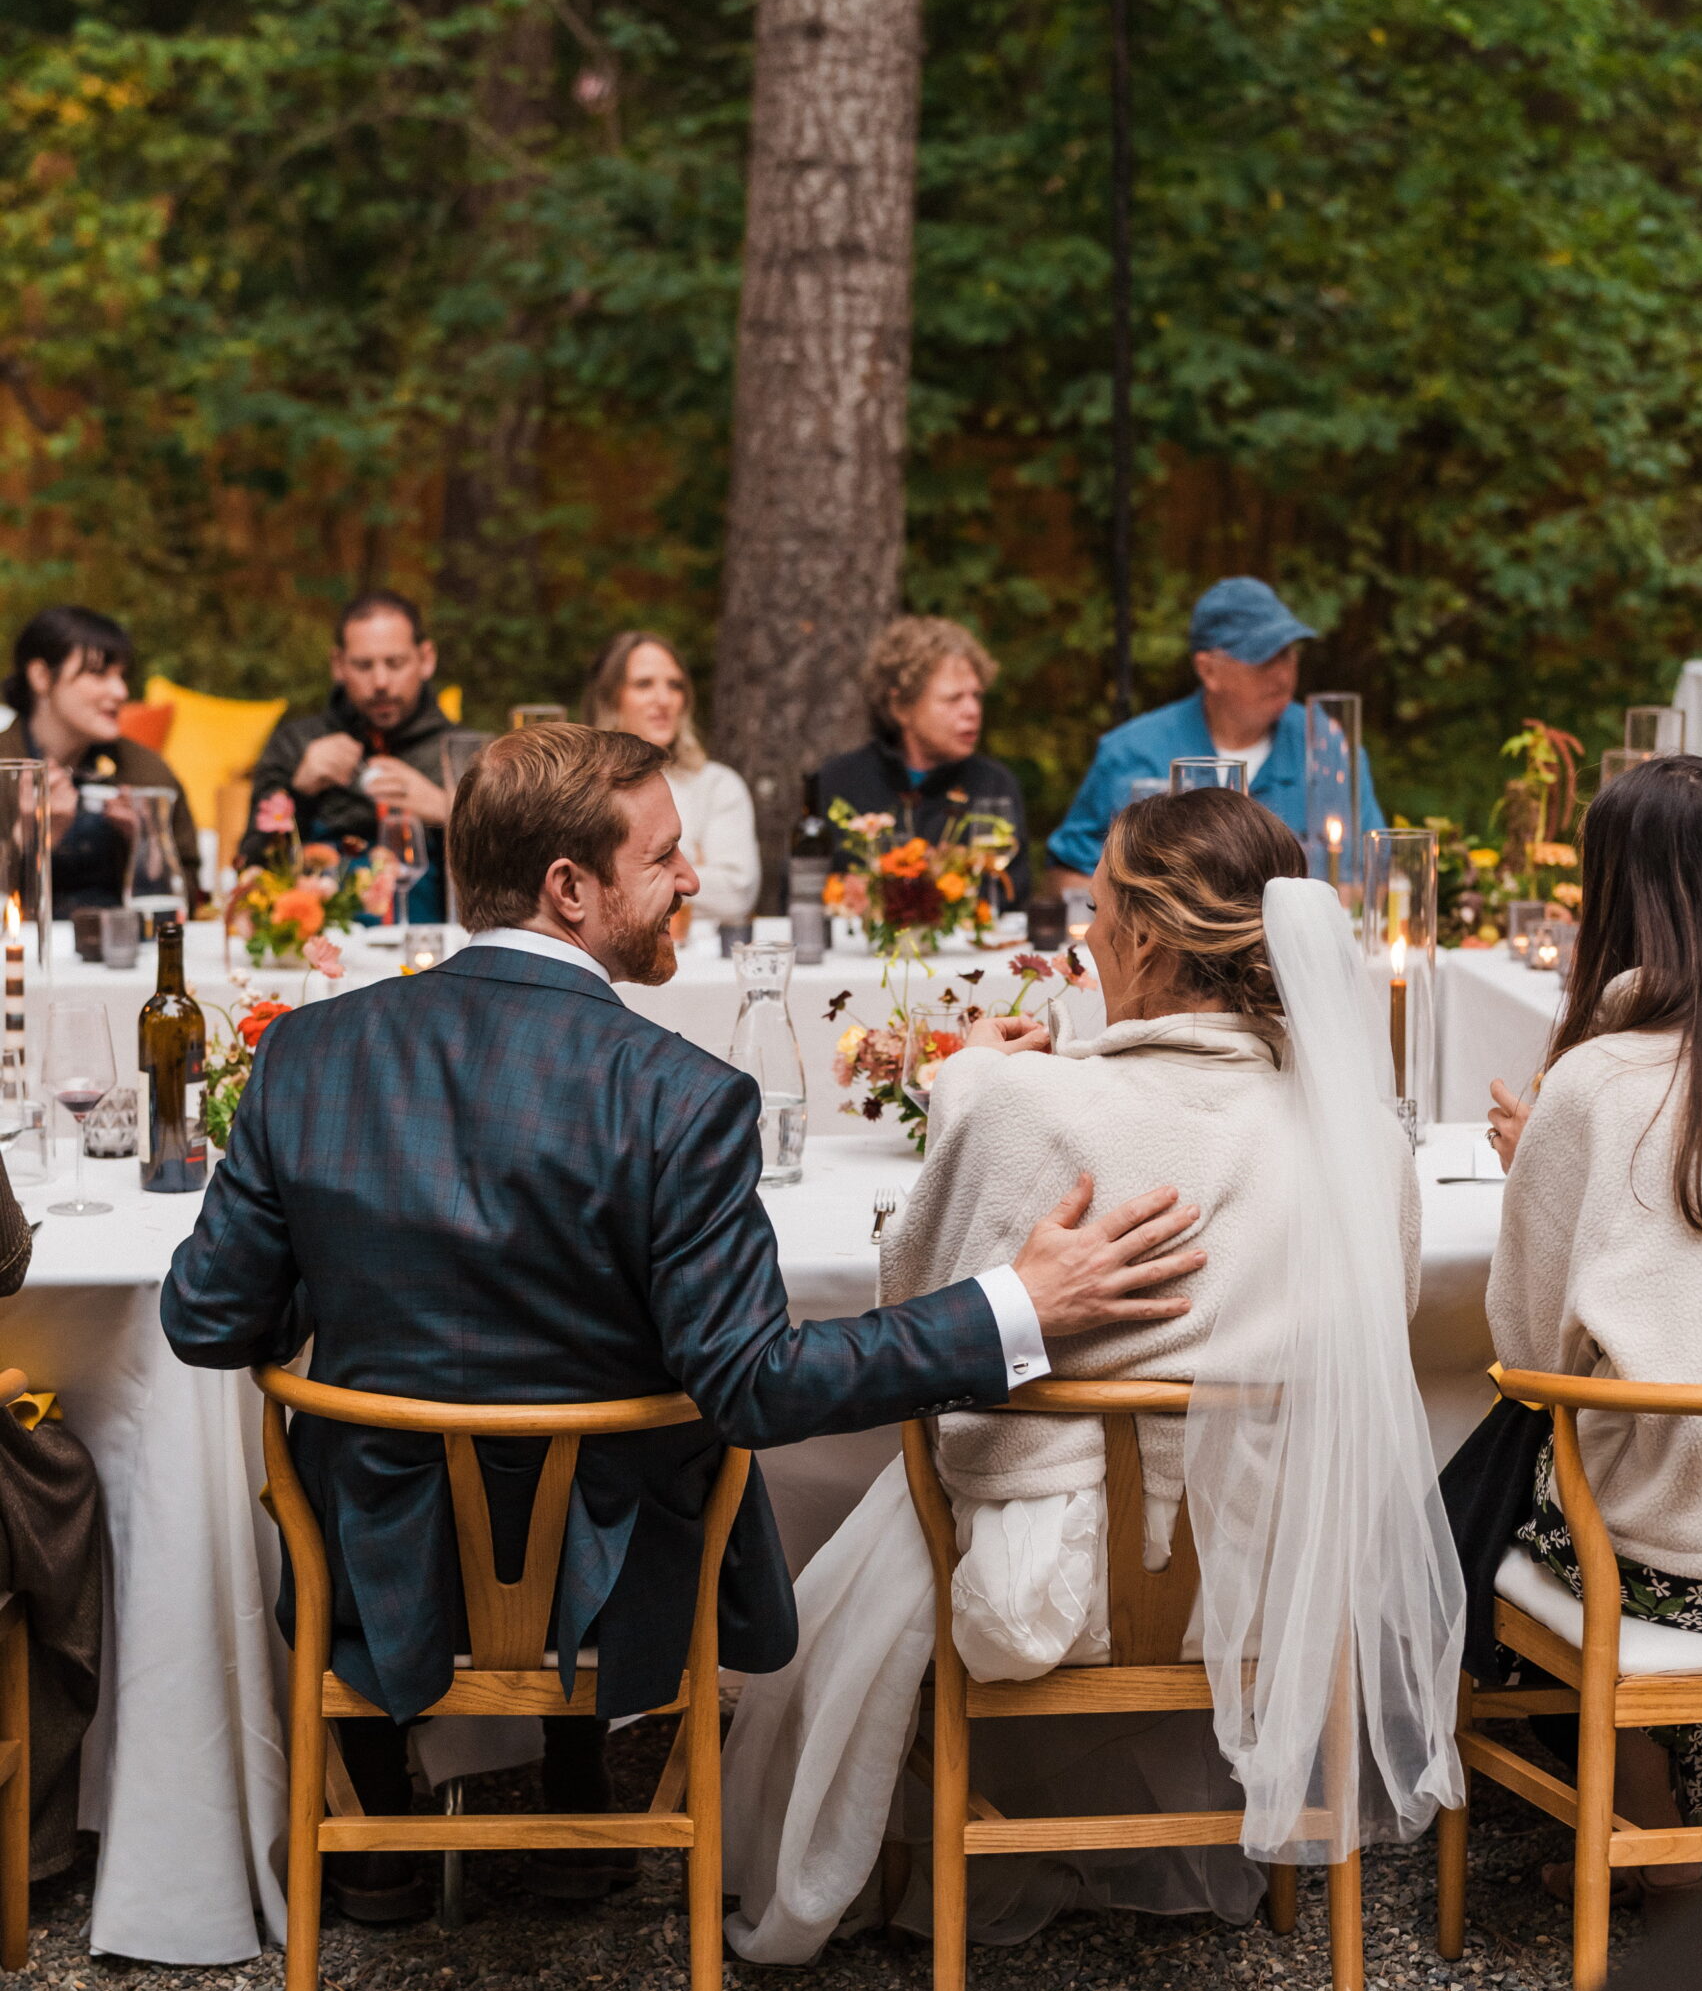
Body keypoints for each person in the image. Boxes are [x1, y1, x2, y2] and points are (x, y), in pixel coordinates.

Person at [161, 721, 1206, 1922]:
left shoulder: (307, 1056)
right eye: (663, 858)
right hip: (616, 1580)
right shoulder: (680, 1097)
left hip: (375, 1561)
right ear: (570, 888)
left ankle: (407, 1806)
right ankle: (572, 1775)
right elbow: (759, 1383)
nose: (694, 878)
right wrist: (1015, 1306)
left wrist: (345, 1260)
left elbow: (207, 1318)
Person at [723, 788, 1461, 1964]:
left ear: (1148, 940)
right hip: (1271, 1590)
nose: (1087, 932)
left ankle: (881, 1837)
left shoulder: (1027, 1105)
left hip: (1041, 1598)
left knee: (861, 1502)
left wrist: (974, 1086)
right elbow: (1381, 1334)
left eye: (1098, 905)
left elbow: (915, 1315)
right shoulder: (1364, 1139)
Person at [1479, 754, 1702, 1906]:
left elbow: (1525, 1354)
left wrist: (1540, 1182)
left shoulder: (1598, 1082)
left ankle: (1606, 1813)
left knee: (1465, 1494)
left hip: (1658, 1564)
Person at [1047, 576, 1386, 875]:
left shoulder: (1328, 745)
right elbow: (1067, 876)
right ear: (1208, 670)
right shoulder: (1131, 751)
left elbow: (1379, 873)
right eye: (1263, 659)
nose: (1283, 675)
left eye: (1287, 654)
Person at [241, 593, 455, 921]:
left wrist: (448, 811)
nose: (380, 682)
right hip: (321, 948)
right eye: (363, 665)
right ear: (338, 664)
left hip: (435, 945)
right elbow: (251, 867)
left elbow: (516, 884)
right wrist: (299, 793)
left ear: (426, 659)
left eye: (395, 663)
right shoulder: (295, 743)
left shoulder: (463, 753)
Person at [813, 616, 1031, 907]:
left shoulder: (994, 784)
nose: (973, 710)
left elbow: (1012, 897)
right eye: (953, 699)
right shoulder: (839, 781)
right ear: (902, 707)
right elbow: (806, 893)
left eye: (976, 696)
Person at [0, 606, 200, 913]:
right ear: (41, 676)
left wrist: (146, 845)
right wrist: (27, 838)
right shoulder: (5, 766)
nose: (120, 691)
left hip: (125, 952)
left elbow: (187, 900)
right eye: (98, 674)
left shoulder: (146, 770)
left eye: (121, 676)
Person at [582, 629, 759, 926]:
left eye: (675, 685)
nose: (664, 699)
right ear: (610, 698)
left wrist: (619, 871)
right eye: (644, 684)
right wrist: (689, 860)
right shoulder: (580, 785)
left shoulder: (716, 785)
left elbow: (735, 895)